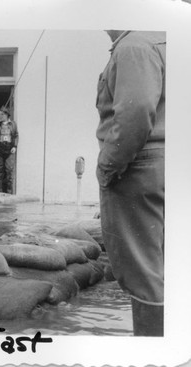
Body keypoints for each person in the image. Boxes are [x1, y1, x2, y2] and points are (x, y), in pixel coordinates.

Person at [96, 30, 165, 336]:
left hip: (138, 167)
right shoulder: (167, 38)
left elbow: (136, 113)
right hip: (162, 165)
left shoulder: (134, 45)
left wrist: (108, 166)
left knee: (144, 274)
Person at [0, 106, 19, 194]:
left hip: (9, 149)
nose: (0, 116)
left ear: (7, 115)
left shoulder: (13, 124)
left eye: (2, 114)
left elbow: (16, 135)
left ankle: (9, 191)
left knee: (9, 170)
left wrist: (15, 146)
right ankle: (0, 190)